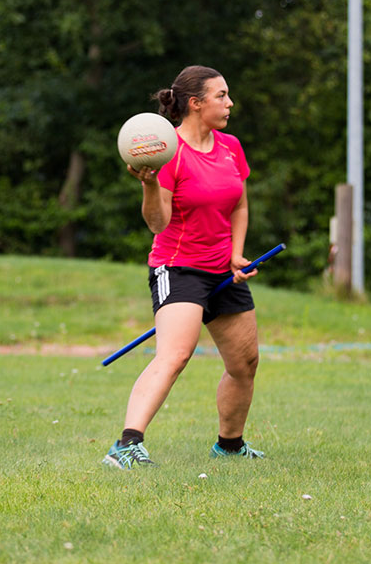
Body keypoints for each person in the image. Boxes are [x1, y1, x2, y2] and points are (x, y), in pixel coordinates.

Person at [103, 65, 265, 469]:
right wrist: (149, 185)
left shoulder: (231, 147)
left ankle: (229, 446)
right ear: (195, 103)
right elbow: (157, 224)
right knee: (175, 355)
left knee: (244, 364)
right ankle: (126, 445)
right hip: (179, 268)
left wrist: (236, 254)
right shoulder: (166, 152)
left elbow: (240, 204)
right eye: (221, 96)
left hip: (222, 271)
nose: (229, 103)